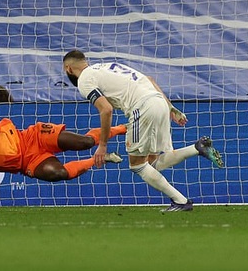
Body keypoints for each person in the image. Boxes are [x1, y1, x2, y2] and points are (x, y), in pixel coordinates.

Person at [62, 50, 224, 212]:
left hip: (142, 108)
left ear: (68, 69)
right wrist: (171, 108)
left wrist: (102, 145)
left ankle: (181, 201)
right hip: (160, 103)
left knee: (137, 165)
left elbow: (106, 110)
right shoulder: (106, 67)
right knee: (152, 162)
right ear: (86, 61)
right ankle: (197, 148)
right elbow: (150, 80)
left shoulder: (84, 80)